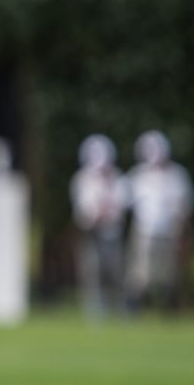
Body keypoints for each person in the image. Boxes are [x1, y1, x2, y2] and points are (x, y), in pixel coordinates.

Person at [123, 130, 194, 315]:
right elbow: (126, 202)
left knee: (169, 276)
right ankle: (134, 311)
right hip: (144, 232)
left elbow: (184, 206)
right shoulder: (137, 176)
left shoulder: (177, 175)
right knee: (140, 275)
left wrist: (182, 232)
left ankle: (168, 311)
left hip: (170, 232)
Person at [69, 133, 128, 321]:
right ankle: (95, 312)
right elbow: (83, 212)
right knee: (92, 272)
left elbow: (120, 207)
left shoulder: (118, 179)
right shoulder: (81, 180)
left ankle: (120, 310)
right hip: (91, 234)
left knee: (116, 273)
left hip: (112, 233)